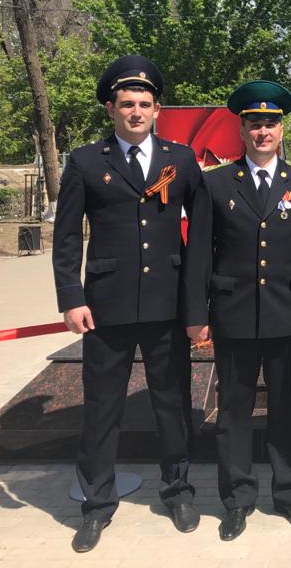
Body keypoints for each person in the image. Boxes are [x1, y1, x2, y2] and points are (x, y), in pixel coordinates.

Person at [52, 54, 204, 553]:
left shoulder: (180, 161)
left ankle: (178, 489)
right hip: (106, 304)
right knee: (102, 407)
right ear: (112, 110)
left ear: (157, 109)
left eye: (144, 104)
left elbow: (200, 235)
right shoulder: (85, 161)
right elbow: (68, 236)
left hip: (167, 303)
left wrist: (197, 306)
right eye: (126, 104)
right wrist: (71, 298)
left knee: (172, 403)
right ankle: (96, 504)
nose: (136, 112)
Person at [183, 80, 291, 541]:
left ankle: (289, 493)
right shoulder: (216, 182)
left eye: (270, 123)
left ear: (281, 129)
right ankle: (238, 498)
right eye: (254, 124)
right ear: (242, 130)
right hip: (234, 313)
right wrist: (196, 313)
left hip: (288, 315)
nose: (262, 131)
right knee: (234, 413)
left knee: (287, 411)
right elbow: (200, 255)